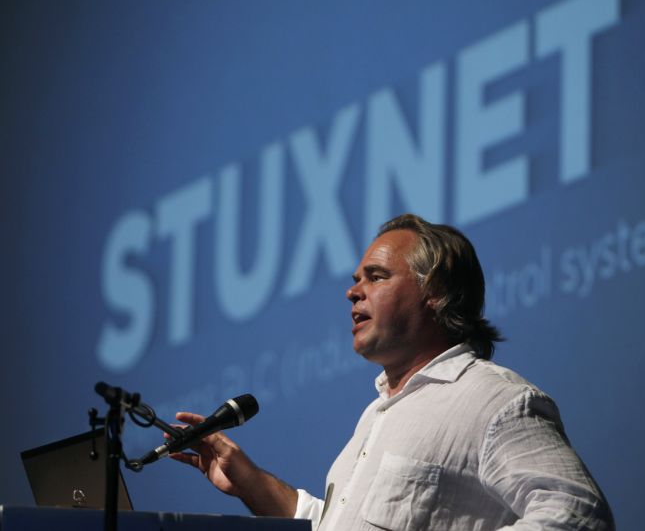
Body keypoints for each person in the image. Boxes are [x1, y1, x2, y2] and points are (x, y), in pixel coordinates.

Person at [171, 214, 614, 530]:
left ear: (435, 293)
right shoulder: (376, 415)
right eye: (356, 278)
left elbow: (577, 514)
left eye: (376, 276)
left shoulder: (492, 400)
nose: (351, 292)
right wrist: (252, 483)